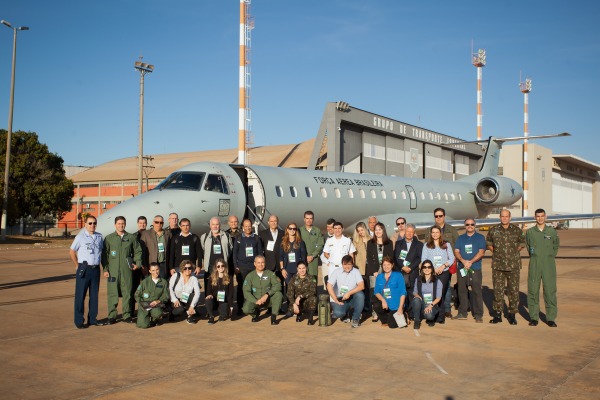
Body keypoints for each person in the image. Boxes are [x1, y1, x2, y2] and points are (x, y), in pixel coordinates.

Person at [486, 209, 525, 325]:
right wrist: (498, 253)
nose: (504, 218)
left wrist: (512, 253)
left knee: (513, 291)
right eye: (502, 216)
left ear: (510, 217)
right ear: (499, 217)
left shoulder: (517, 230)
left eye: (506, 216)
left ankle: (512, 314)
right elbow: (489, 243)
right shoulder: (494, 230)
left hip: (513, 266)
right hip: (498, 266)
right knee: (498, 291)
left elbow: (522, 244)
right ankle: (497, 314)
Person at [102, 216, 143, 324]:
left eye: (123, 223)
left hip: (127, 271)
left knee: (127, 293)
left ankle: (127, 315)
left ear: (125, 224)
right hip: (113, 271)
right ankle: (112, 316)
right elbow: (104, 256)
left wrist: (137, 264)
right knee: (112, 293)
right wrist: (105, 269)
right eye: (119, 223)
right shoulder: (109, 238)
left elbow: (138, 251)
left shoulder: (131, 238)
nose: (121, 225)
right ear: (115, 225)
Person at [526, 208, 560, 327]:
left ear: (545, 217)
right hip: (535, 263)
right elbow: (528, 246)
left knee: (550, 291)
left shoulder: (551, 232)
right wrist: (536, 257)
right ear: (535, 217)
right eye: (537, 216)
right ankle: (534, 317)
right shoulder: (530, 232)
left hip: (548, 264)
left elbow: (556, 245)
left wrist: (550, 256)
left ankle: (550, 318)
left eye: (542, 216)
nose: (540, 218)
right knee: (533, 290)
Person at [70, 215, 105, 329]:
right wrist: (77, 265)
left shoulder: (99, 237)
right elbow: (72, 252)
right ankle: (79, 321)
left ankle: (93, 319)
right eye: (90, 223)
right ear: (85, 224)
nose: (92, 225)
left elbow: (101, 252)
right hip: (84, 268)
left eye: (94, 223)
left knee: (94, 296)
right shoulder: (80, 237)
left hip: (95, 269)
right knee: (80, 295)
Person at [427, 208, 459, 318]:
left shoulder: (451, 230)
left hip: (446, 265)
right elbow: (427, 246)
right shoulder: (429, 230)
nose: (438, 218)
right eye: (436, 216)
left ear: (444, 216)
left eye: (440, 216)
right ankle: (435, 309)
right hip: (433, 267)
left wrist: (453, 260)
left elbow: (457, 245)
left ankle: (446, 309)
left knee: (446, 286)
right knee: (434, 287)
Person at [453, 218, 487, 323]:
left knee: (476, 291)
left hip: (475, 268)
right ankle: (462, 312)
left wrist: (470, 262)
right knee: (462, 290)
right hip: (462, 268)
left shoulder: (480, 237)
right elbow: (456, 251)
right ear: (464, 225)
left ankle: (478, 314)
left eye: (472, 224)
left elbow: (481, 252)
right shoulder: (460, 238)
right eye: (467, 224)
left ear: (475, 225)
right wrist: (463, 261)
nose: (470, 226)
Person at [420, 225, 455, 324]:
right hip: (431, 273)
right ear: (431, 234)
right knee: (432, 294)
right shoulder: (426, 245)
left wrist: (443, 266)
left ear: (440, 233)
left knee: (441, 294)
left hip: (443, 273)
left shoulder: (446, 245)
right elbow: (423, 259)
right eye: (433, 232)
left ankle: (441, 316)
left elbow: (451, 259)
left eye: (437, 232)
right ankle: (431, 316)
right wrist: (432, 269)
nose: (435, 234)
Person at [233, 219, 264, 314]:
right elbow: (235, 253)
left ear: (252, 226)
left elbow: (259, 253)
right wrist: (236, 266)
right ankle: (240, 308)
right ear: (242, 227)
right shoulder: (238, 238)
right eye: (245, 226)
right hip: (242, 267)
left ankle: (255, 307)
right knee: (242, 287)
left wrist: (259, 266)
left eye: (249, 226)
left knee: (255, 287)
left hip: (253, 267)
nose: (248, 228)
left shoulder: (256, 238)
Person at [242, 255, 283, 325]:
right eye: (258, 262)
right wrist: (255, 301)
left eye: (262, 262)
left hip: (268, 299)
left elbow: (278, 285)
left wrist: (267, 294)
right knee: (246, 309)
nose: (261, 265)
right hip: (256, 300)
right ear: (254, 264)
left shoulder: (270, 274)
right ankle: (255, 315)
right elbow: (246, 291)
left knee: (278, 294)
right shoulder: (250, 276)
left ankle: (273, 316)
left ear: (265, 263)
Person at [326, 255, 365, 328]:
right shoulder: (336, 271)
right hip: (341, 298)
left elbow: (361, 286)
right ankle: (344, 315)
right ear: (342, 264)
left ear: (352, 264)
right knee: (338, 313)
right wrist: (335, 299)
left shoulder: (356, 271)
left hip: (352, 297)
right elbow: (329, 285)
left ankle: (355, 318)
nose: (347, 266)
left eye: (349, 264)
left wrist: (349, 293)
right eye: (345, 264)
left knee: (360, 295)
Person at [394, 223, 423, 318]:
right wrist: (403, 267)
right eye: (408, 231)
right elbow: (396, 257)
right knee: (401, 293)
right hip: (401, 272)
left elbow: (419, 258)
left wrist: (410, 267)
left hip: (412, 272)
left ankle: (411, 314)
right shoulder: (399, 243)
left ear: (414, 233)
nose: (409, 233)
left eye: (411, 232)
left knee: (411, 293)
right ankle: (401, 311)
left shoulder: (419, 244)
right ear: (405, 232)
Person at [365, 222, 393, 320]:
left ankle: (386, 309)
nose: (377, 231)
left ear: (383, 230)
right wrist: (374, 271)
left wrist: (387, 270)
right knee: (374, 291)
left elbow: (391, 257)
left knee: (386, 290)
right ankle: (375, 312)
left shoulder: (389, 243)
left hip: (386, 270)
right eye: (376, 230)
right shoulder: (370, 243)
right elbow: (368, 258)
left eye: (380, 229)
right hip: (374, 271)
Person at [372, 256, 407, 328]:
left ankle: (405, 315)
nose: (386, 267)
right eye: (384, 265)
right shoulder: (379, 277)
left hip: (396, 305)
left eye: (388, 264)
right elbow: (376, 292)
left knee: (392, 325)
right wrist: (383, 300)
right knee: (376, 305)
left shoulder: (398, 275)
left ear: (392, 265)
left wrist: (400, 307)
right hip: (385, 303)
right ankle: (387, 319)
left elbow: (403, 292)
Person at [135, 262, 169, 328]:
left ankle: (155, 319)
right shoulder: (144, 282)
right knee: (143, 325)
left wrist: (158, 301)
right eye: (153, 270)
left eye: (157, 269)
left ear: (159, 269)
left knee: (158, 313)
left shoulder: (164, 282)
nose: (155, 272)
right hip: (144, 305)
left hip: (156, 304)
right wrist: (142, 304)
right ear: (150, 271)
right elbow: (137, 295)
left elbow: (166, 296)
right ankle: (144, 317)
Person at [411, 260, 443, 329]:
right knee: (416, 300)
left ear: (432, 269)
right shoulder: (418, 279)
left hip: (432, 304)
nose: (427, 269)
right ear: (422, 268)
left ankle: (431, 319)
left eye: (429, 267)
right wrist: (417, 296)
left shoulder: (437, 281)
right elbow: (414, 291)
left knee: (429, 316)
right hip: (422, 302)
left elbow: (438, 297)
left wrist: (430, 305)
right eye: (425, 267)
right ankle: (417, 320)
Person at [140, 215, 172, 279]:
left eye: (161, 222)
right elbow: (142, 251)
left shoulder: (167, 233)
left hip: (163, 264)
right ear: (153, 223)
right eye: (157, 222)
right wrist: (144, 265)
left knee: (163, 282)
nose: (159, 224)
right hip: (151, 264)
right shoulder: (146, 234)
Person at [169, 260, 202, 324]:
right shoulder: (176, 276)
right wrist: (174, 300)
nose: (187, 270)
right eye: (185, 268)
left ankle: (190, 316)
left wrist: (192, 306)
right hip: (176, 299)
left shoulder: (194, 278)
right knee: (180, 310)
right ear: (182, 268)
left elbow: (197, 293)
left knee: (193, 296)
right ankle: (172, 313)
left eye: (189, 268)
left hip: (185, 298)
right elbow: (170, 288)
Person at [205, 259, 234, 324]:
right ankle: (211, 316)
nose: (220, 267)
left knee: (223, 315)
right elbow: (208, 291)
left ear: (225, 266)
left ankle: (222, 314)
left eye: (222, 266)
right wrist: (209, 295)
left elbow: (230, 293)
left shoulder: (229, 277)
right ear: (216, 268)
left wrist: (231, 306)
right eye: (218, 266)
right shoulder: (211, 277)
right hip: (214, 300)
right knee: (207, 300)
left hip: (223, 301)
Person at [298, 210, 324, 280]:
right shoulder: (299, 231)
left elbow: (320, 245)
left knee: (313, 280)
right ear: (304, 219)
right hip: (302, 260)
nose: (309, 220)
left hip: (313, 260)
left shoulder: (317, 230)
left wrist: (312, 256)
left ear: (313, 219)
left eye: (310, 218)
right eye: (307, 218)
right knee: (302, 281)